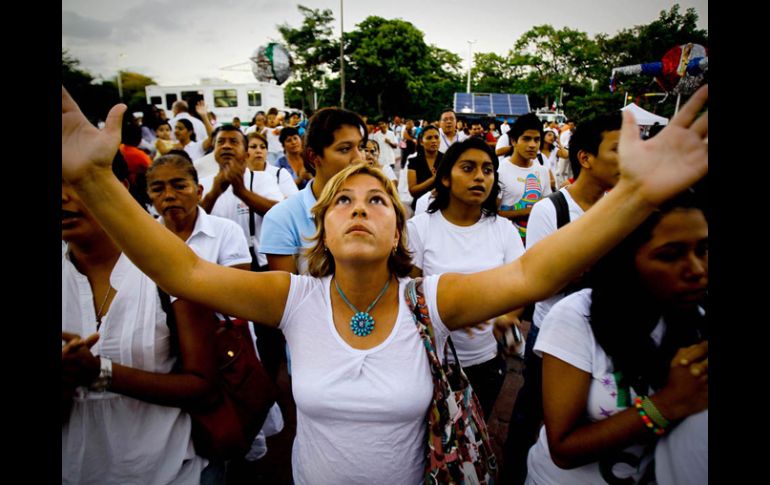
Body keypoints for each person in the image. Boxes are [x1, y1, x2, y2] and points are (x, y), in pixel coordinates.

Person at [61, 84, 708, 485]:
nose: (363, 207)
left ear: (399, 232)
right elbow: (182, 270)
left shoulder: (432, 299)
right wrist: (94, 181)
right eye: (346, 200)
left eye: (379, 199)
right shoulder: (293, 298)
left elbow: (533, 272)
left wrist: (634, 194)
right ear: (323, 227)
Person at [526, 190, 709, 484]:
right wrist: (667, 404)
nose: (697, 270)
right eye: (670, 255)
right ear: (626, 256)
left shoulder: (696, 322)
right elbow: (564, 449)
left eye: (703, 250)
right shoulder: (576, 317)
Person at [62, 152, 217, 484]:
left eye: (72, 183)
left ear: (116, 188)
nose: (62, 197)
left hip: (167, 471)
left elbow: (203, 385)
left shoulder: (169, 268)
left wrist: (101, 373)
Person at [503, 113, 624, 484]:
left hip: (607, 330)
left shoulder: (622, 208)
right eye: (618, 150)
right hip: (552, 335)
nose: (628, 160)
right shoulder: (550, 209)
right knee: (530, 412)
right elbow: (541, 282)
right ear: (585, 158)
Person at [407, 137, 525, 418]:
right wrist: (448, 314)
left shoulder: (504, 230)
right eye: (468, 168)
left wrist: (508, 317)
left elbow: (520, 284)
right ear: (446, 178)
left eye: (487, 170)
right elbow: (407, 294)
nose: (480, 177)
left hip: (486, 361)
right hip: (429, 363)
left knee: (476, 441)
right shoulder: (419, 229)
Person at [259, 107, 368, 274]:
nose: (358, 159)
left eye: (360, 147)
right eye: (345, 149)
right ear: (313, 156)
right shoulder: (282, 218)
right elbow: (287, 295)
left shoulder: (377, 209)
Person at [497, 113, 553, 243]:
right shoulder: (500, 171)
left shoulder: (542, 171)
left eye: (537, 139)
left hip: (536, 244)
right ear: (513, 141)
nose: (532, 145)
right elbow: (492, 215)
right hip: (507, 244)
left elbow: (547, 208)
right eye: (526, 139)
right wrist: (528, 211)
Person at [407, 125, 443, 211]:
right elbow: (413, 191)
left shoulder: (447, 160)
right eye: (429, 138)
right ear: (421, 142)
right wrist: (433, 179)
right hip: (420, 207)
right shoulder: (414, 162)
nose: (434, 141)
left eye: (436, 137)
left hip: (442, 207)